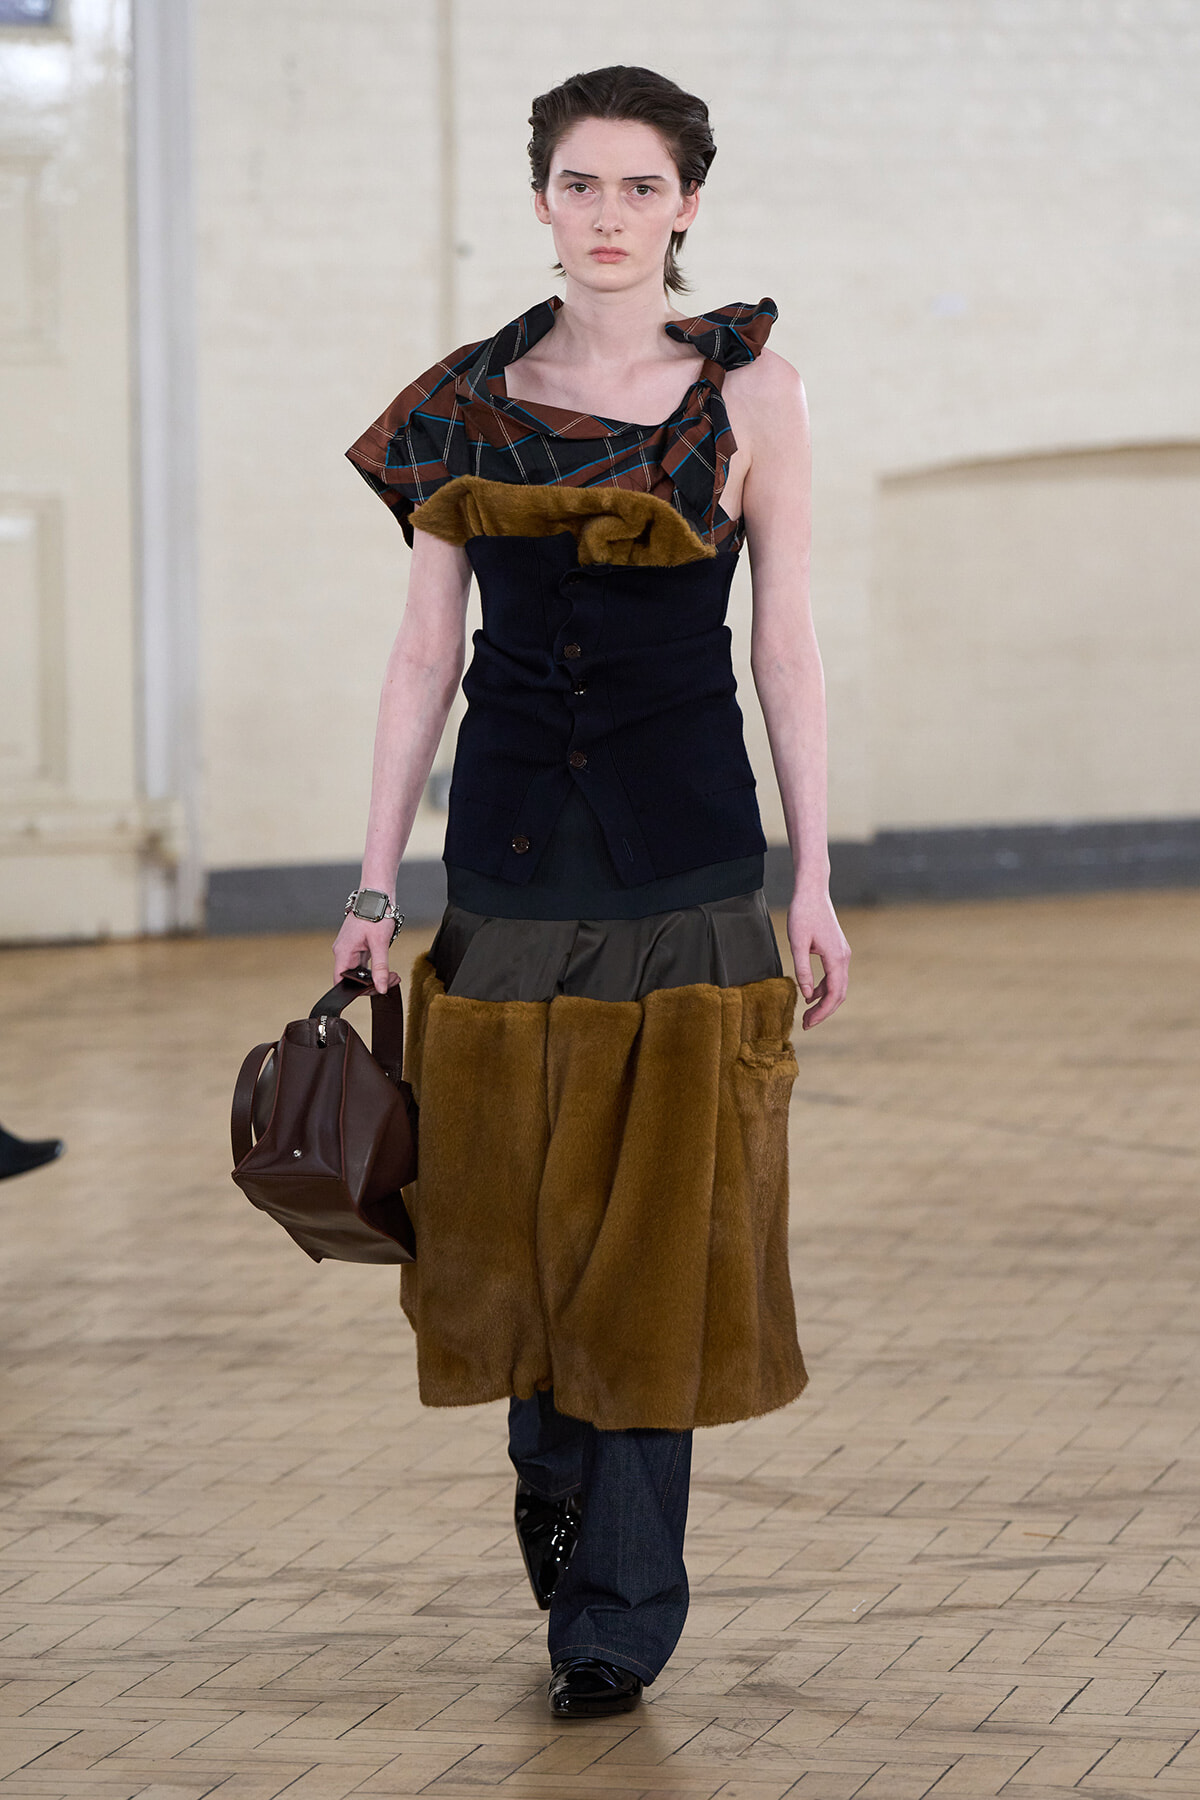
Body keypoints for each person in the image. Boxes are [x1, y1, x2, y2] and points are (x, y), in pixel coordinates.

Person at [336, 65, 850, 1719]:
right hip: (504, 868)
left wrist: (817, 879)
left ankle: (618, 1618)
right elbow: (423, 657)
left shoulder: (753, 396)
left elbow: (786, 648)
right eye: (581, 184)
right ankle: (548, 1472)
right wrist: (371, 889)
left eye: (640, 187)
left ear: (687, 204)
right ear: (543, 198)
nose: (609, 215)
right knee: (506, 1217)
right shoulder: (463, 403)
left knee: (659, 1242)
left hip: (687, 865)